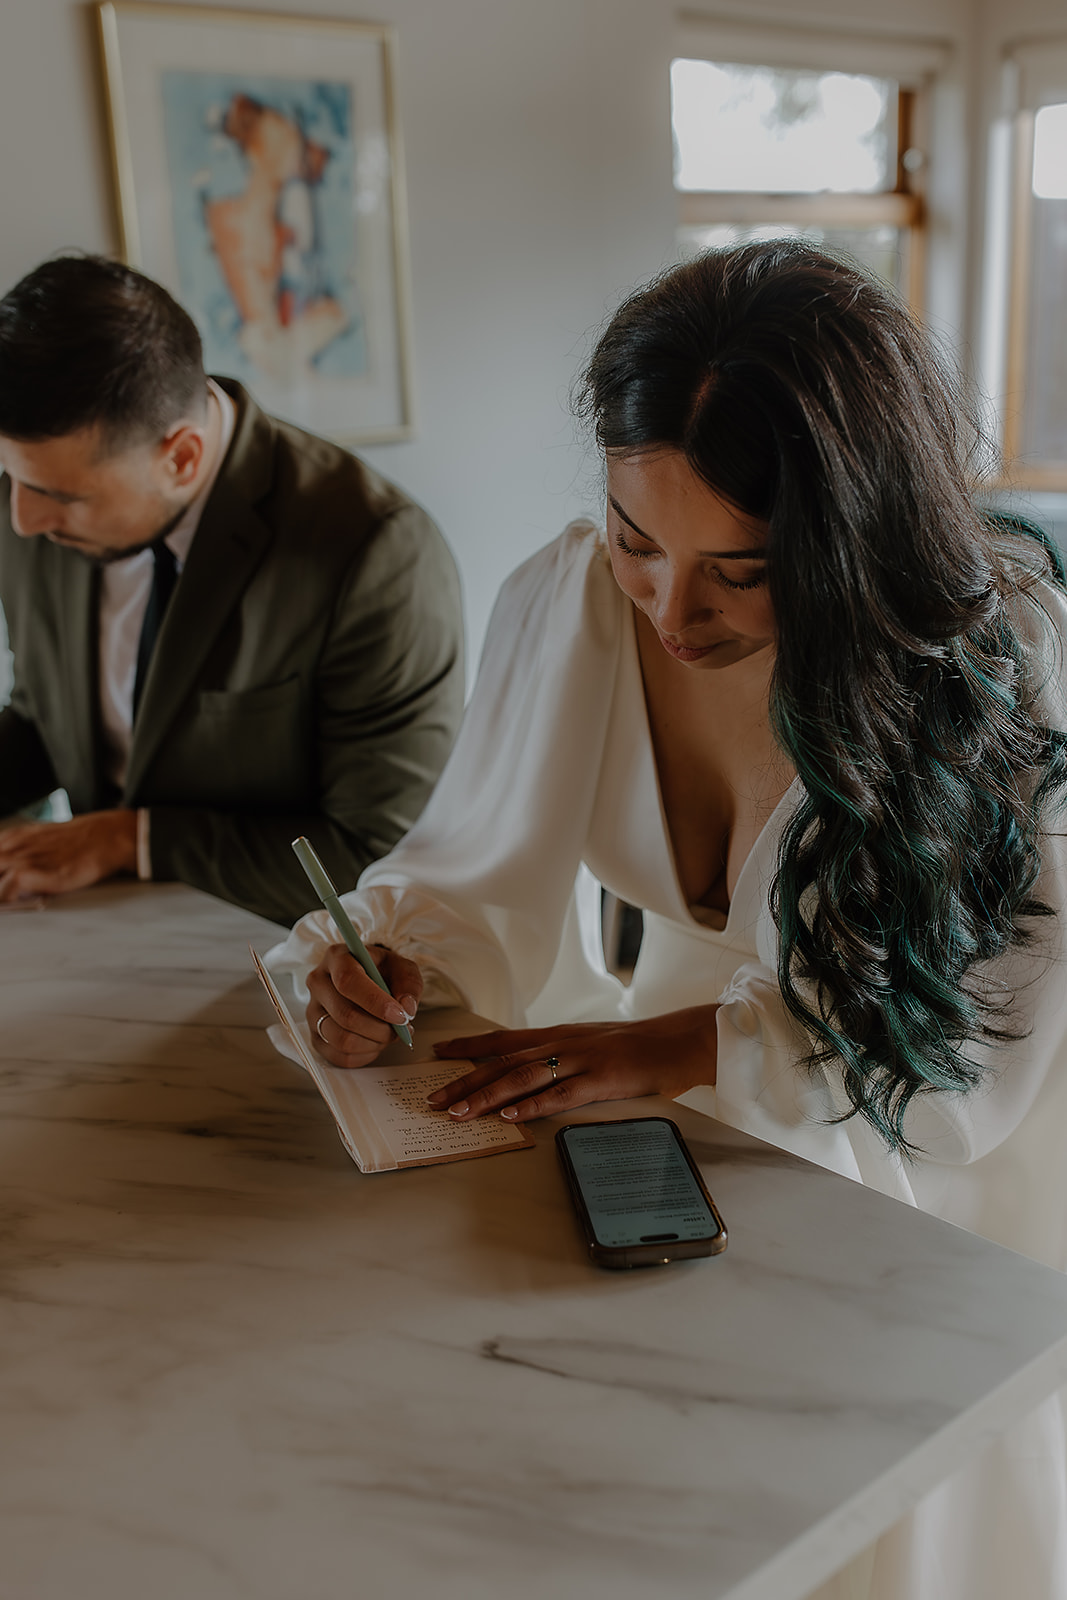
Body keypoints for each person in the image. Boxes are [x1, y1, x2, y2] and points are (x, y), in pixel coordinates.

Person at [268, 242, 1067, 1600]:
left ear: (842, 539)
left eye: (738, 573)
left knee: (899, 1518)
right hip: (707, 1102)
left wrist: (675, 1049)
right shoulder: (568, 604)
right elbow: (453, 871)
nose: (668, 611)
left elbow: (965, 1057)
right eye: (638, 540)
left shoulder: (993, 657)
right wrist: (374, 965)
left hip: (949, 1121)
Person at [0, 255, 464, 925]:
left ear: (181, 457)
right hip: (97, 935)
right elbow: (45, 714)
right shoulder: (35, 499)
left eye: (58, 496)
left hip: (290, 965)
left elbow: (378, 853)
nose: (22, 520)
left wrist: (129, 839)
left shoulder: (373, 554)